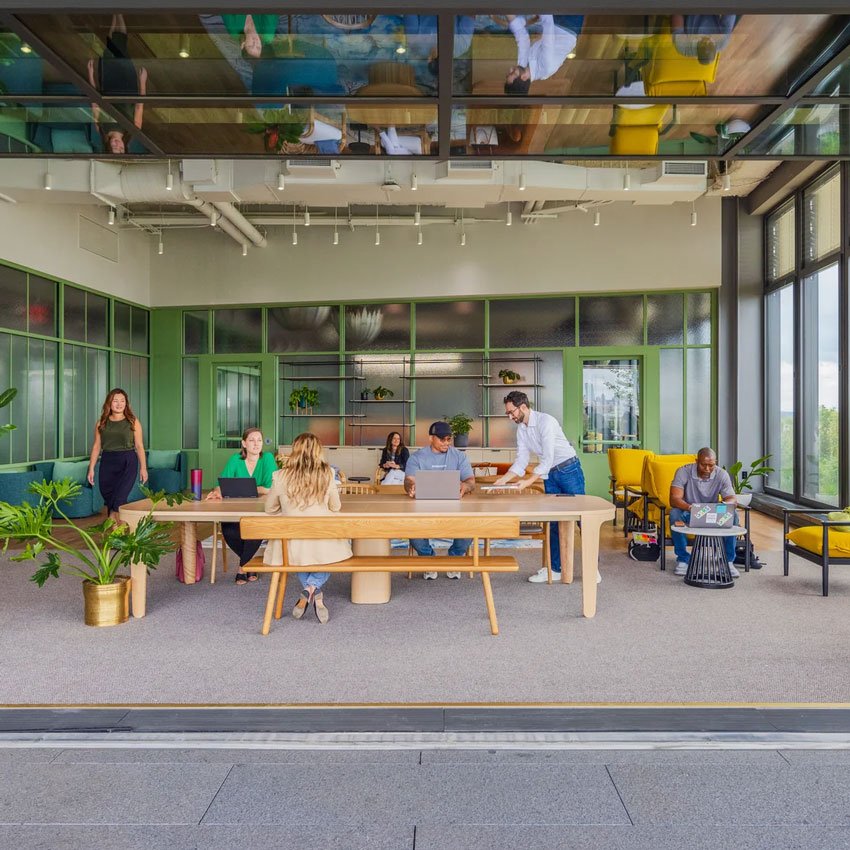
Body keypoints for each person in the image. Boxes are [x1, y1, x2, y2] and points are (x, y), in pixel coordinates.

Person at [494, 390, 593, 584]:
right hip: (551, 475)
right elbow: (521, 460)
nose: (510, 416)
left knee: (582, 520)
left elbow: (547, 458)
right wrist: (504, 480)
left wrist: (528, 482)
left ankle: (592, 569)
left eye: (511, 412)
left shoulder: (546, 422)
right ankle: (555, 569)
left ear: (523, 407)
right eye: (508, 413)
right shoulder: (521, 429)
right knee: (554, 522)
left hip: (568, 469)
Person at [263, 432, 352, 623]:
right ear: (318, 452)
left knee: (299, 554)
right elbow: (336, 507)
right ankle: (314, 589)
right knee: (328, 553)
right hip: (322, 540)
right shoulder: (327, 474)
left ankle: (309, 590)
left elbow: (269, 509)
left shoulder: (280, 476)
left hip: (291, 544)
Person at [404, 421, 475, 579]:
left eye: (449, 439)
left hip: (455, 505)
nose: (446, 443)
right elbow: (409, 480)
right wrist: (411, 487)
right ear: (431, 438)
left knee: (471, 525)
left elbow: (471, 481)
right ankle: (428, 558)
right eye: (442, 439)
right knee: (410, 527)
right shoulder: (417, 457)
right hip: (423, 506)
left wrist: (465, 486)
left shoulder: (459, 456)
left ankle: (454, 558)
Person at [206, 426, 276, 584]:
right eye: (251, 440)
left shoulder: (268, 459)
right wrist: (217, 492)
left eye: (259, 440)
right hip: (234, 509)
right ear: (244, 443)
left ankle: (242, 567)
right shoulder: (235, 460)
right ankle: (249, 564)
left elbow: (271, 488)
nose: (256, 444)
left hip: (260, 509)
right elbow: (222, 483)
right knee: (229, 531)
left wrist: (247, 488)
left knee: (256, 530)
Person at [669, 447, 740, 577]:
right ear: (697, 461)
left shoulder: (721, 474)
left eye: (711, 465)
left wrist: (728, 504)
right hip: (689, 511)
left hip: (712, 513)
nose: (707, 469)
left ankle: (727, 561)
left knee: (733, 515)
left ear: (716, 462)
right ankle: (683, 559)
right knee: (674, 513)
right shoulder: (683, 471)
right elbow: (674, 499)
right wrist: (691, 508)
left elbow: (731, 498)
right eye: (703, 465)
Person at [87, 15, 147, 154]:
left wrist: (90, 74)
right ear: (125, 147)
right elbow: (139, 106)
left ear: (108, 146)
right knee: (122, 48)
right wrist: (142, 82)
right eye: (120, 148)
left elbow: (94, 103)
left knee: (109, 50)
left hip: (109, 84)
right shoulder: (132, 131)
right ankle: (119, 13)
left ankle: (114, 14)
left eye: (114, 147)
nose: (117, 144)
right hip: (127, 86)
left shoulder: (100, 128)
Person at [86, 387, 147, 523]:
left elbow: (139, 446)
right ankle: (116, 537)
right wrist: (91, 468)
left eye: (122, 401)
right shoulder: (101, 423)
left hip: (127, 461)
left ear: (126, 403)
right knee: (110, 499)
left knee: (119, 499)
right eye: (115, 401)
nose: (119, 404)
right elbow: (96, 446)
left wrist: (143, 468)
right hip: (107, 462)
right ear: (109, 403)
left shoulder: (133, 422)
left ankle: (120, 535)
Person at [504, 14, 584, 94]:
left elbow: (522, 38)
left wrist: (507, 12)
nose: (511, 69)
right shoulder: (545, 68)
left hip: (553, 24)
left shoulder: (522, 66)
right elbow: (548, 29)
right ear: (524, 77)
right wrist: (543, 6)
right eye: (512, 73)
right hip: (568, 26)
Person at [670, 14, 737, 65]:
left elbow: (676, 14)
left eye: (703, 38)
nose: (706, 36)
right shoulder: (722, 40)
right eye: (710, 38)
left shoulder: (683, 47)